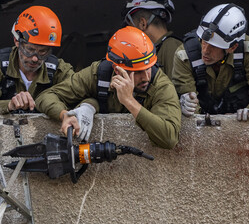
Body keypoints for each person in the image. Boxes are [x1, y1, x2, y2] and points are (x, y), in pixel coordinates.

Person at [35, 26, 181, 149]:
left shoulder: (161, 84)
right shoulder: (99, 73)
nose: (146, 77)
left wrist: (129, 101)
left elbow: (169, 138)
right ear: (117, 70)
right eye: (137, 72)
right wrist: (64, 115)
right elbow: (45, 97)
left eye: (148, 68)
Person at [171, 3, 249, 121]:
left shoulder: (248, 51)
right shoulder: (185, 55)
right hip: (201, 126)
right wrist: (187, 106)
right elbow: (189, 101)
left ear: (232, 47)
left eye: (213, 46)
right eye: (203, 41)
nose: (205, 51)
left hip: (241, 125)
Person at [0, 6, 74, 114]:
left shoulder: (58, 69)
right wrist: (9, 105)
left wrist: (86, 108)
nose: (35, 58)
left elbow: (84, 92)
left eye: (42, 52)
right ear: (16, 41)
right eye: (29, 49)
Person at [123, 0, 183, 78]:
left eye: (131, 27)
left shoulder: (171, 47)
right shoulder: (161, 48)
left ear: (142, 23)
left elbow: (176, 90)